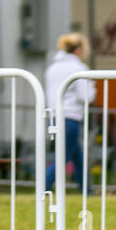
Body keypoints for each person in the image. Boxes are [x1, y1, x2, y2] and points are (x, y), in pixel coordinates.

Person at [44, 33, 94, 195]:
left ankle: (87, 191)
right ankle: (42, 189)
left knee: (77, 158)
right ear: (79, 50)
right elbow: (86, 96)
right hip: (70, 117)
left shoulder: (52, 68)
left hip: (54, 116)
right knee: (61, 159)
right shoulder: (78, 68)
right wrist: (93, 88)